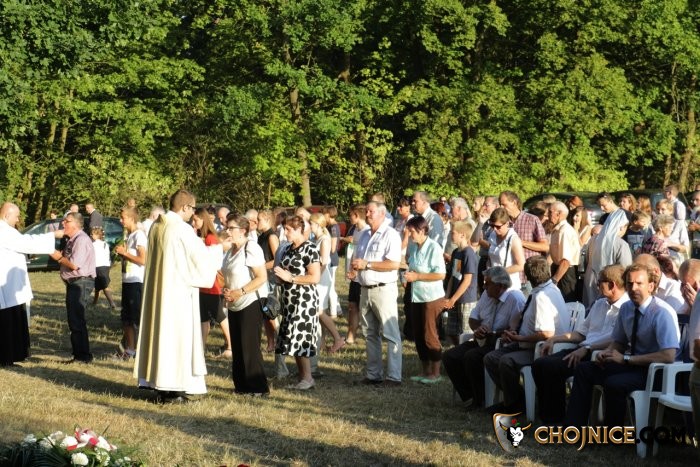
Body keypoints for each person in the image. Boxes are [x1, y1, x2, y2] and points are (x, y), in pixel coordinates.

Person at [134, 189, 224, 404]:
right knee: (176, 339)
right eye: (192, 209)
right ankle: (172, 388)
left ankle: (159, 385)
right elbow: (200, 258)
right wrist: (219, 249)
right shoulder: (181, 229)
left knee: (160, 336)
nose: (193, 214)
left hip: (159, 293)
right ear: (185, 207)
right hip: (177, 295)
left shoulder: (156, 226)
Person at [564, 263, 679, 427]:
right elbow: (619, 342)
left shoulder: (661, 312)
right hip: (631, 365)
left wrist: (626, 359)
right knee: (584, 369)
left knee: (614, 383)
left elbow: (669, 355)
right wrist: (607, 353)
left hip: (654, 371)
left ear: (651, 286)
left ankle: (614, 434)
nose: (633, 288)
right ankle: (573, 429)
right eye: (630, 283)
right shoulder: (626, 308)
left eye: (639, 283)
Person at [532, 264, 629, 424]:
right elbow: (580, 333)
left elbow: (617, 340)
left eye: (599, 282)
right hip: (581, 349)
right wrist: (555, 339)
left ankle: (555, 419)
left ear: (612, 285)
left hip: (598, 355)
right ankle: (549, 415)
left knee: (552, 367)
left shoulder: (626, 308)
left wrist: (588, 348)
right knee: (539, 364)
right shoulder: (599, 304)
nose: (596, 286)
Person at [484, 256, 567, 414]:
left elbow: (546, 333)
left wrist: (519, 338)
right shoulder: (548, 290)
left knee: (506, 361)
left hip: (541, 349)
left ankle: (515, 404)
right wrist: (515, 331)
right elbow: (529, 320)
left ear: (527, 277)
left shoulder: (542, 296)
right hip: (529, 344)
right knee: (491, 358)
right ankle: (518, 398)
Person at [442, 266, 525, 410]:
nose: (484, 286)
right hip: (482, 340)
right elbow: (473, 318)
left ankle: (480, 399)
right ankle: (470, 396)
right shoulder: (486, 295)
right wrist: (478, 329)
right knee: (450, 356)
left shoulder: (515, 299)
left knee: (471, 356)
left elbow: (515, 330)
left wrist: (494, 332)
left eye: (487, 283)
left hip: (500, 343)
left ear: (500, 286)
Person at [0, 202, 63, 366]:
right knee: (8, 321)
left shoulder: (7, 230)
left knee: (14, 319)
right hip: (7, 286)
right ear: (7, 215)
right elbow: (26, 242)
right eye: (16, 216)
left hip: (12, 284)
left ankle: (13, 355)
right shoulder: (3, 231)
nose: (18, 219)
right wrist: (52, 235)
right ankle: (6, 357)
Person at [350, 202, 403, 386]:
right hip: (365, 289)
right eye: (366, 211)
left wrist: (368, 265)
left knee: (390, 333)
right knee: (370, 333)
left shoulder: (391, 235)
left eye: (371, 211)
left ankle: (394, 377)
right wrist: (355, 270)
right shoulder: (365, 234)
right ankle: (374, 374)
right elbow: (358, 258)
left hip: (384, 289)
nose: (367, 214)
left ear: (382, 214)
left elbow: (394, 263)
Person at [220, 215, 270, 396]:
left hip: (250, 302)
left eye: (231, 228)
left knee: (249, 347)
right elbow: (226, 275)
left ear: (242, 231)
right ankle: (241, 386)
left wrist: (240, 292)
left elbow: (261, 277)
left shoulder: (251, 248)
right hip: (234, 302)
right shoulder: (230, 250)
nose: (227, 231)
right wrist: (226, 290)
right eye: (227, 227)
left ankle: (258, 388)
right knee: (238, 345)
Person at [274, 215, 321, 390]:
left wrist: (291, 278)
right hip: (289, 299)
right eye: (284, 229)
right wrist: (280, 277)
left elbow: (314, 277)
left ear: (299, 229)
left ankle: (308, 378)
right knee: (292, 337)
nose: (285, 233)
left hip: (304, 300)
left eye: (288, 230)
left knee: (300, 336)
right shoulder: (288, 248)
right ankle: (302, 377)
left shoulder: (310, 248)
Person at [49, 212, 97, 363]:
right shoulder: (73, 239)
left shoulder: (81, 240)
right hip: (76, 283)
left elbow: (75, 265)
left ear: (76, 224)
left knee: (76, 319)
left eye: (67, 221)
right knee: (75, 319)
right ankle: (80, 354)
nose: (63, 223)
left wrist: (58, 257)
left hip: (80, 283)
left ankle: (82, 356)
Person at [404, 215, 446, 384]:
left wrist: (418, 276)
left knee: (430, 334)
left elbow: (440, 274)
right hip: (416, 295)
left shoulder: (434, 247)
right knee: (418, 334)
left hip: (431, 297)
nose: (409, 235)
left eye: (412, 231)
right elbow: (412, 266)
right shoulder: (414, 247)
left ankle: (436, 373)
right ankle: (425, 371)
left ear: (421, 231)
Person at [192, 207, 232, 357]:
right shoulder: (202, 237)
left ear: (203, 220)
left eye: (196, 220)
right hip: (203, 286)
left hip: (211, 286)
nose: (193, 223)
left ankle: (230, 346)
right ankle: (200, 349)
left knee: (220, 316)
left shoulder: (210, 238)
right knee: (203, 318)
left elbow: (213, 262)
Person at [309, 212, 345, 353]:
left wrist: (314, 277)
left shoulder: (324, 240)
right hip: (318, 276)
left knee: (319, 311)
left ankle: (337, 338)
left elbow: (323, 262)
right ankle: (322, 342)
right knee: (320, 311)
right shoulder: (315, 239)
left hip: (321, 278)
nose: (309, 226)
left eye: (311, 223)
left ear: (318, 225)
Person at [113, 207, 147, 360]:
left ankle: (142, 350)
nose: (121, 221)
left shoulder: (139, 235)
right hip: (127, 280)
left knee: (136, 318)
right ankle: (130, 350)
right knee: (126, 318)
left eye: (123, 218)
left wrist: (124, 253)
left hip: (136, 281)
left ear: (132, 219)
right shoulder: (129, 235)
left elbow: (143, 260)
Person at [583, 209, 632, 306]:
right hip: (610, 285)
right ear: (622, 227)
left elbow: (587, 260)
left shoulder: (594, 239)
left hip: (591, 281)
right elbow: (625, 269)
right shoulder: (621, 244)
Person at [443, 221, 478, 346]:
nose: (450, 235)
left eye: (453, 233)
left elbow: (467, 280)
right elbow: (454, 276)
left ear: (462, 235)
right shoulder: (456, 252)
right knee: (451, 331)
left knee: (466, 333)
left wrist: (453, 299)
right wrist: (447, 296)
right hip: (454, 298)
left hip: (466, 299)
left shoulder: (468, 253)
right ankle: (458, 351)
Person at [343, 204, 368, 344]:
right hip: (355, 276)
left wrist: (356, 270)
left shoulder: (367, 231)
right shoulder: (357, 230)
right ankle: (350, 336)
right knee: (352, 306)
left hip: (363, 277)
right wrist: (351, 269)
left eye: (351, 215)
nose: (349, 217)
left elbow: (364, 255)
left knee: (363, 308)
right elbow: (355, 252)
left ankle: (369, 335)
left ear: (357, 216)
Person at [257, 209, 280, 352]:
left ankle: (279, 341)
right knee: (265, 313)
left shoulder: (271, 236)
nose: (256, 222)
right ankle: (271, 343)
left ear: (267, 220)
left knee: (270, 311)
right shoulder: (261, 237)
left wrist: (260, 267)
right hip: (263, 276)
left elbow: (277, 259)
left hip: (270, 278)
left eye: (259, 219)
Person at [548, 202, 581, 302]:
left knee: (566, 304)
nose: (548, 214)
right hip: (560, 270)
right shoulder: (558, 229)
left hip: (565, 274)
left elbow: (565, 261)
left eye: (550, 212)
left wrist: (554, 280)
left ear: (558, 214)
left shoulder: (564, 231)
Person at [487, 207, 525, 291]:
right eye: (492, 226)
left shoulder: (513, 239)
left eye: (498, 226)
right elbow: (490, 258)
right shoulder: (493, 235)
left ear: (507, 223)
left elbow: (521, 265)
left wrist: (498, 272)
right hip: (493, 284)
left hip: (509, 286)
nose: (495, 229)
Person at [90, 227, 116, 309]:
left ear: (97, 235)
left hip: (98, 266)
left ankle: (112, 303)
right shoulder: (106, 244)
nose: (91, 235)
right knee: (97, 285)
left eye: (92, 234)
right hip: (106, 266)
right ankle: (94, 302)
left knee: (104, 286)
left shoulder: (93, 245)